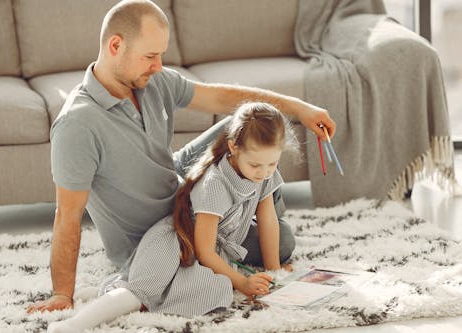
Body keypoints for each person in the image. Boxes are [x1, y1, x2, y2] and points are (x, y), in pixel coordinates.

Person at [27, 0, 335, 314]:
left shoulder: (150, 80)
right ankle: (250, 211)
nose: (158, 66)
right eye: (150, 56)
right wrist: (62, 294)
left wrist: (298, 108)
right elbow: (67, 216)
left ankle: (254, 206)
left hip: (176, 180)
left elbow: (218, 97)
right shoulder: (77, 126)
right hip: (162, 228)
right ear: (115, 46)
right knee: (282, 241)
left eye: (160, 55)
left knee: (245, 123)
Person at [47, 102, 297, 332]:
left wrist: (274, 270)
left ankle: (99, 293)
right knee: (139, 293)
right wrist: (243, 282)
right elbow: (206, 251)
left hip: (200, 254)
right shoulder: (215, 185)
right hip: (175, 243)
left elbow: (268, 220)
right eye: (256, 165)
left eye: (272, 164)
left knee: (207, 290)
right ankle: (72, 325)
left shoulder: (264, 174)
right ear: (233, 147)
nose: (264, 172)